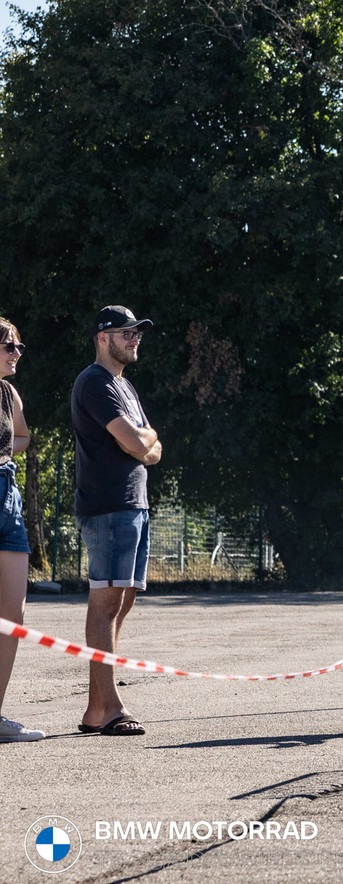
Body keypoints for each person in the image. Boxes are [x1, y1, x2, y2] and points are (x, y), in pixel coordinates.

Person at [71, 305, 161, 737]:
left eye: (137, 333)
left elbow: (152, 444)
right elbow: (135, 440)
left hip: (134, 504)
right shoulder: (94, 382)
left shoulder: (125, 387)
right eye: (126, 333)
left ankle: (94, 708)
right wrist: (142, 443)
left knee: (123, 602)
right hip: (107, 506)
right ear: (103, 338)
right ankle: (112, 710)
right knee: (105, 603)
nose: (134, 339)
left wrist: (143, 443)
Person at [0, 316, 43, 741]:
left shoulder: (9, 392)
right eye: (8, 346)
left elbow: (24, 437)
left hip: (6, 493)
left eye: (18, 347)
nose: (16, 353)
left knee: (12, 614)